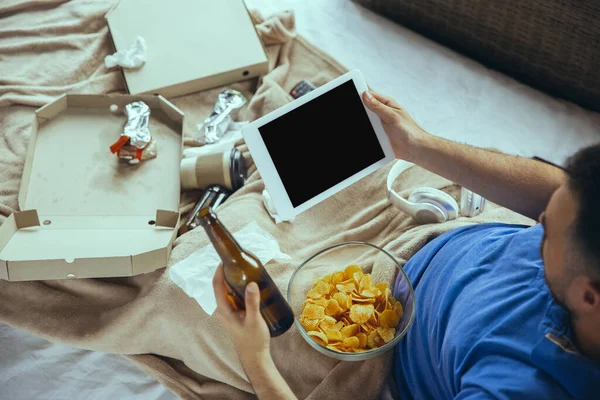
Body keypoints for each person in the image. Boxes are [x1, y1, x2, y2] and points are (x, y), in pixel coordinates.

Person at [212, 90, 600, 399]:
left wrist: (257, 361)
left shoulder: (523, 387)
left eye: (547, 232)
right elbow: (556, 190)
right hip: (441, 225)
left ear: (589, 297)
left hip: (379, 354)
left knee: (193, 291)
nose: (542, 219)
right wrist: (416, 145)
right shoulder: (583, 243)